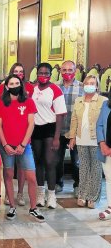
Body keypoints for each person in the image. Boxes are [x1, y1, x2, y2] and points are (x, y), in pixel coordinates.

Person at [0, 75, 45, 222]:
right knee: (9, 176)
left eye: (17, 83)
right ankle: (12, 206)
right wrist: (5, 145)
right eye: (12, 83)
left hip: (25, 146)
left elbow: (31, 124)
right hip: (7, 147)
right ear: (6, 86)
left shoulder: (28, 102)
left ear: (21, 85)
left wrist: (23, 144)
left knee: (31, 177)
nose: (15, 85)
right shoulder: (1, 103)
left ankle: (34, 208)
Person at [0, 63, 32, 206]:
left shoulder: (29, 88)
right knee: (8, 168)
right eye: (15, 71)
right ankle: (8, 195)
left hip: (24, 134)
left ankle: (21, 193)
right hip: (6, 134)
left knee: (22, 166)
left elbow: (30, 109)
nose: (18, 74)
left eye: (21, 72)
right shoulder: (2, 88)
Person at [31, 63, 66, 209]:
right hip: (35, 128)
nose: (43, 76)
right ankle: (40, 193)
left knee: (50, 162)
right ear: (37, 73)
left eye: (46, 73)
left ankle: (51, 195)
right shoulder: (32, 88)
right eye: (41, 73)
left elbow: (60, 115)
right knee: (38, 162)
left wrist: (57, 137)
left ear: (51, 75)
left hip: (50, 128)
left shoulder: (55, 90)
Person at [68, 75, 106, 208]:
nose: (89, 85)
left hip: (97, 140)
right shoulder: (79, 100)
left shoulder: (103, 101)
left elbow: (105, 122)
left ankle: (93, 198)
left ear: (96, 86)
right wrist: (72, 137)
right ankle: (83, 195)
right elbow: (74, 120)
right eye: (87, 83)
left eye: (92, 83)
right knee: (83, 168)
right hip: (81, 139)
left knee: (95, 169)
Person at [55, 60, 83, 195]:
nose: (67, 73)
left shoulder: (82, 87)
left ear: (75, 71)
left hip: (76, 131)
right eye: (64, 70)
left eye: (70, 70)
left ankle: (77, 185)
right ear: (60, 71)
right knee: (57, 159)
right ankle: (57, 183)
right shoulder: (55, 87)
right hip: (58, 130)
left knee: (77, 160)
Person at [97, 90, 111, 220]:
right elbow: (99, 124)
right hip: (106, 149)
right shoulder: (106, 104)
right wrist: (102, 144)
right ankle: (110, 207)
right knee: (109, 178)